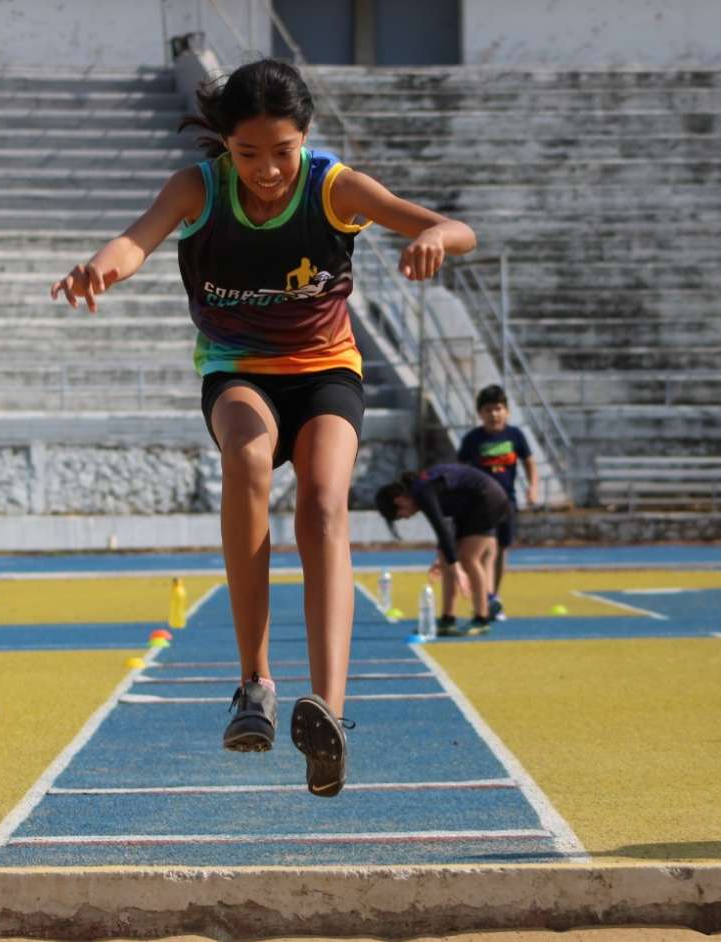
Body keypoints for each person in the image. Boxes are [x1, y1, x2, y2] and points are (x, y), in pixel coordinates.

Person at [50, 58, 475, 797]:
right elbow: (134, 241)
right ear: (225, 145)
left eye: (283, 152)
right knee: (247, 460)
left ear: (304, 139)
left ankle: (331, 716)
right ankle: (255, 683)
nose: (269, 170)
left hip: (325, 373)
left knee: (321, 504)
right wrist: (100, 269)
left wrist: (435, 240)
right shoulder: (199, 188)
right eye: (250, 155)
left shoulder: (333, 186)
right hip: (238, 368)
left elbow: (452, 226)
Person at [375, 464, 509, 637]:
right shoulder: (421, 492)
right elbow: (445, 527)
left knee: (469, 558)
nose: (406, 518)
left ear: (399, 500)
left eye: (401, 515)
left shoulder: (423, 491)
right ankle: (448, 619)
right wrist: (445, 558)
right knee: (447, 559)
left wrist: (459, 570)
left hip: (488, 500)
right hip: (471, 506)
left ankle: (481, 618)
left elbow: (440, 527)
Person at [457, 384, 539, 621]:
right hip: (481, 506)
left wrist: (532, 488)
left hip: (507, 501)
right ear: (480, 414)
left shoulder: (515, 436)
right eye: (488, 410)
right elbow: (460, 468)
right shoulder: (473, 439)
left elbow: (530, 462)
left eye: (498, 409)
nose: (494, 414)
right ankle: (487, 597)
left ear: (507, 412)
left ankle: (494, 596)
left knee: (502, 549)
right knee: (485, 552)